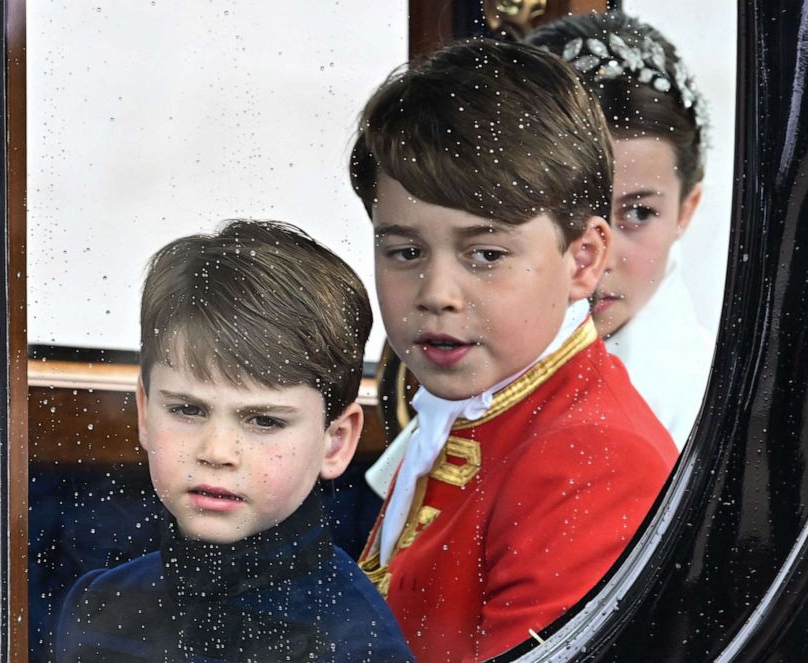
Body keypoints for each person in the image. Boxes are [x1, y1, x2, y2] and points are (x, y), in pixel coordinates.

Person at [350, 39, 678, 661]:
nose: (437, 294)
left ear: (583, 260)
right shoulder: (476, 401)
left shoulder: (594, 462)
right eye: (404, 252)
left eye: (486, 254)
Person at [54, 220, 414, 662]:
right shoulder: (98, 606)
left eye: (263, 420)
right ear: (145, 411)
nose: (216, 452)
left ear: (335, 441)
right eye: (187, 410)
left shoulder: (354, 644)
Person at [528, 12, 716, 450]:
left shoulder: (712, 407)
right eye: (564, 209)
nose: (600, 257)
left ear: (686, 210)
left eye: (639, 213)